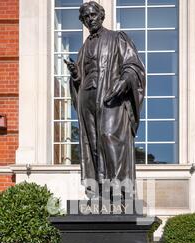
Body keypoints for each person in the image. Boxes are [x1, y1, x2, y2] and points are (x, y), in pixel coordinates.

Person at [65, 1, 145, 199]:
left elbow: (133, 65)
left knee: (109, 136)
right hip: (87, 99)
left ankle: (119, 190)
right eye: (85, 17)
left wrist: (125, 81)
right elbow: (81, 77)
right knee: (92, 142)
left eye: (92, 15)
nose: (89, 19)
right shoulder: (84, 48)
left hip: (111, 98)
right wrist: (76, 76)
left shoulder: (117, 38)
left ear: (101, 15)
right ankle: (98, 190)